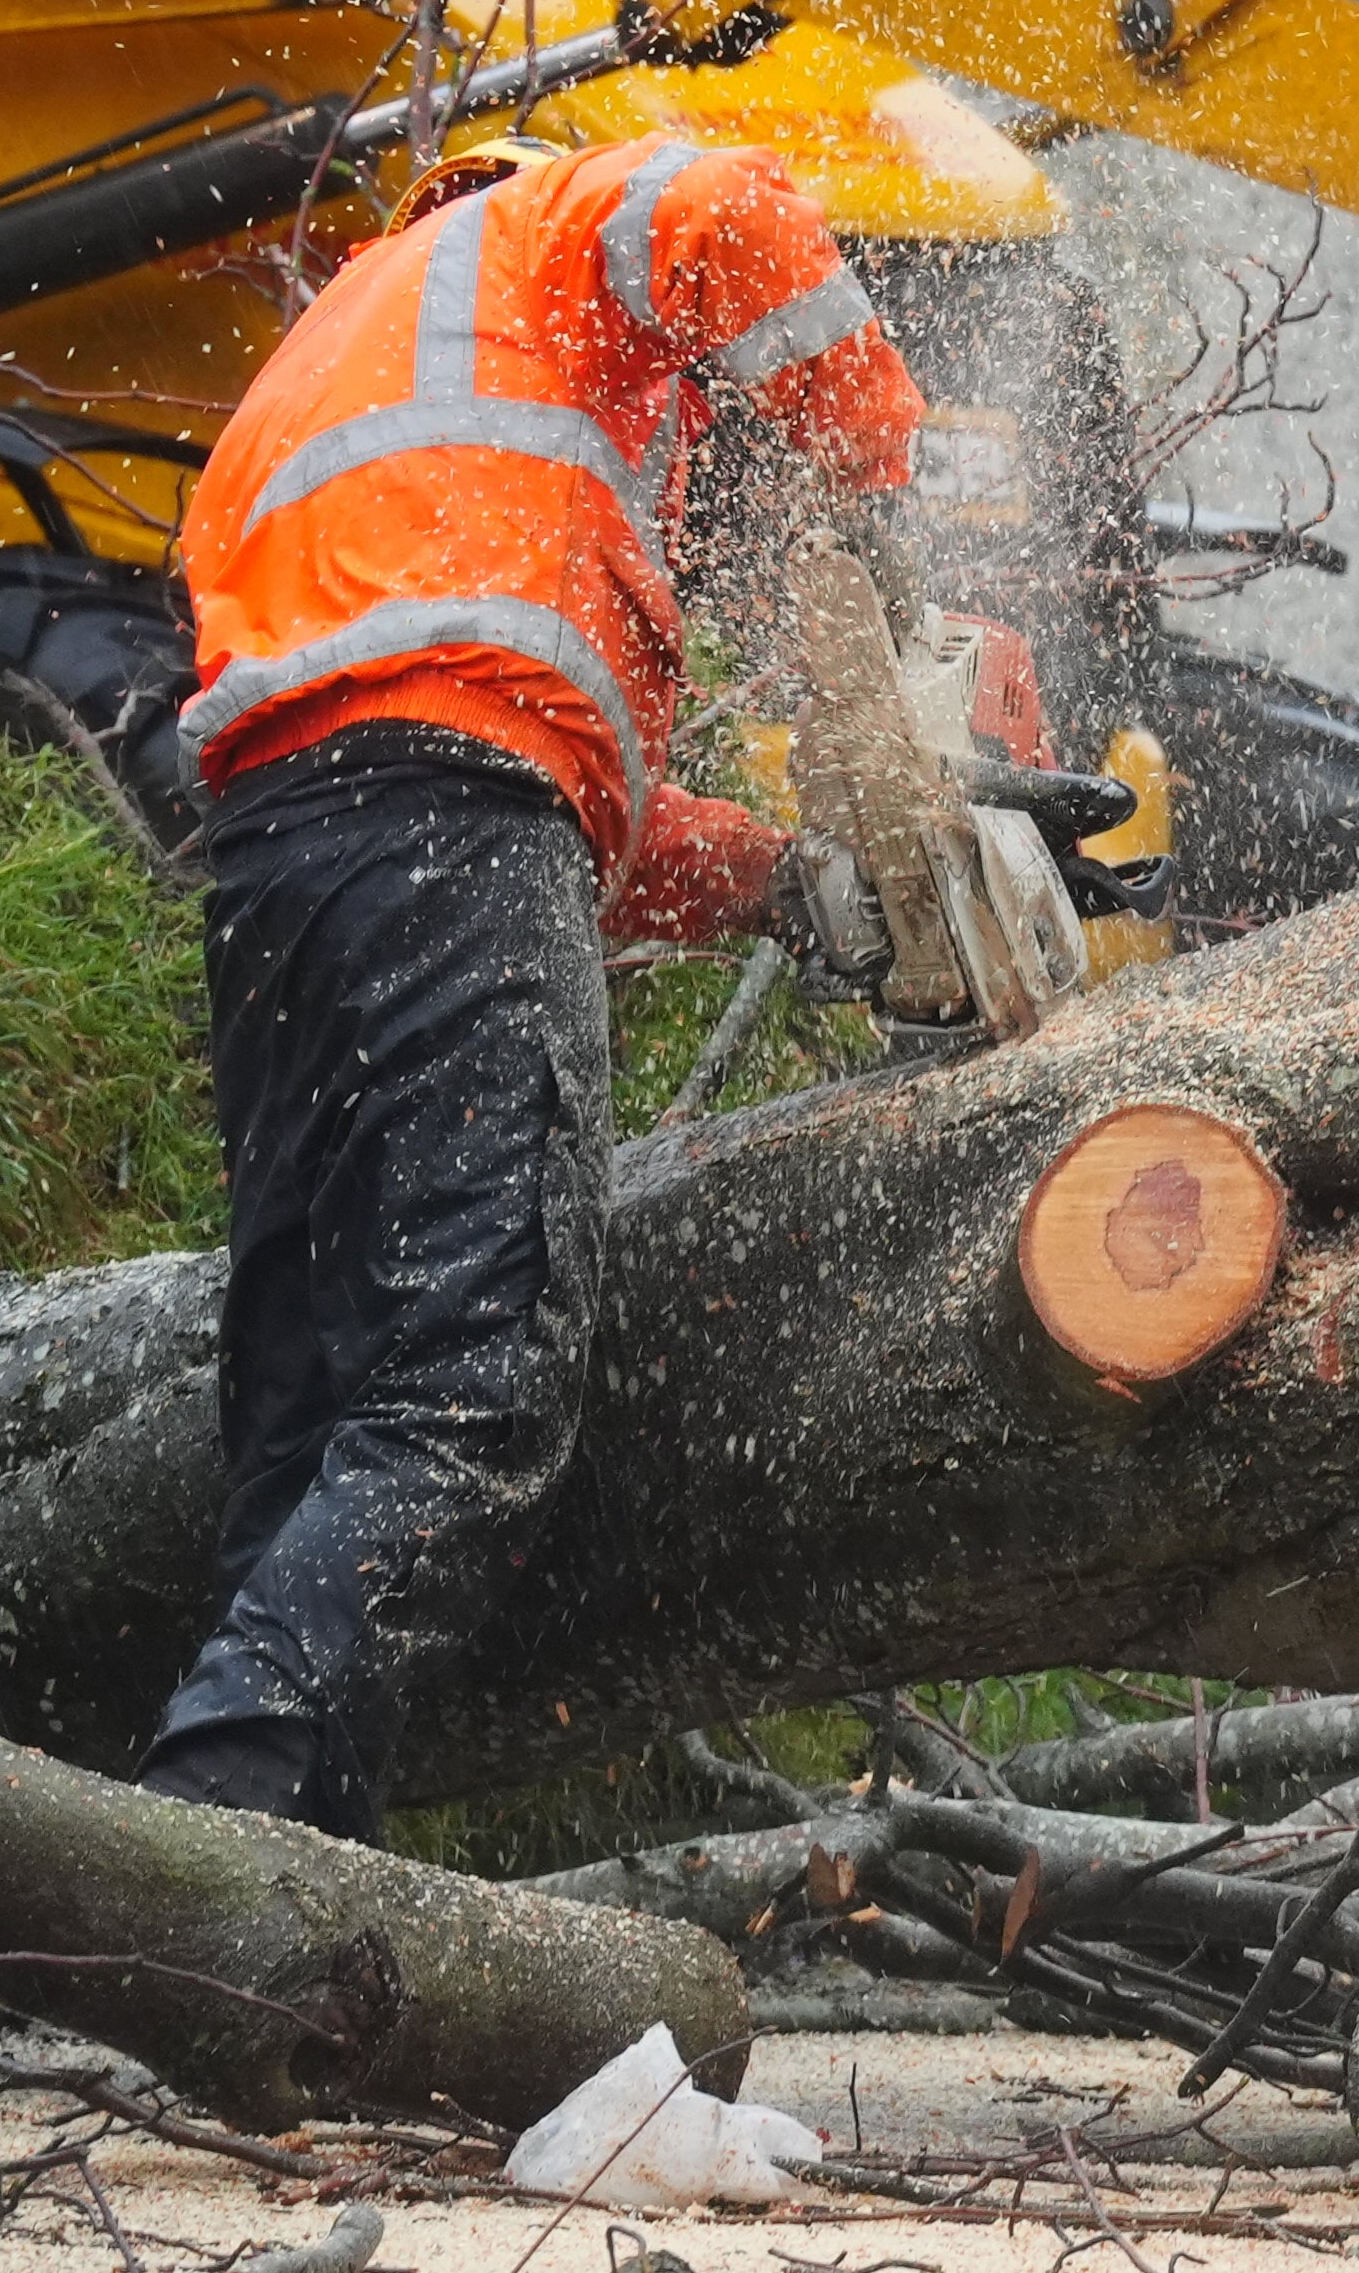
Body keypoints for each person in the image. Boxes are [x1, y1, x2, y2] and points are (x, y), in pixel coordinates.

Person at [140, 129, 924, 1838]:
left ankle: (237, 1892)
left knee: (312, 1387)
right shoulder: (559, 227)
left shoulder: (359, 362)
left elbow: (569, 806)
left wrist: (795, 883)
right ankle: (219, 1818)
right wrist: (875, 485)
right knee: (473, 1369)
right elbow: (720, 204)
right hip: (444, 828)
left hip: (291, 851)